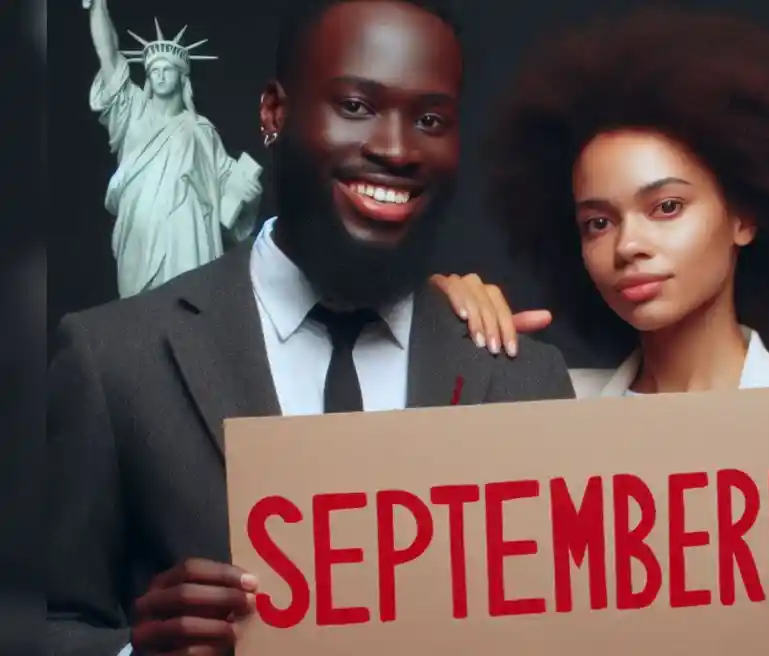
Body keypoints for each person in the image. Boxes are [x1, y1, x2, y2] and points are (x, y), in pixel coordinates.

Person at [46, 2, 574, 655]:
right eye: (356, 105)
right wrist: (133, 652)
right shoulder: (113, 361)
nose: (396, 147)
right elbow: (48, 623)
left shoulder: (523, 382)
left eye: (430, 119)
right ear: (274, 112)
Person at [434, 7, 769, 654]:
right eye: (598, 222)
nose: (629, 246)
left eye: (666, 207)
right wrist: (428, 317)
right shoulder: (545, 405)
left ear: (743, 216)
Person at [84, 0, 264, 298]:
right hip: (141, 224)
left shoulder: (201, 130)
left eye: (168, 69)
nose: (161, 75)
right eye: (154, 70)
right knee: (139, 317)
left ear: (183, 78)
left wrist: (248, 194)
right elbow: (109, 55)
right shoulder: (134, 112)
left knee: (191, 311)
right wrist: (97, 6)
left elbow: (226, 184)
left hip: (190, 229)